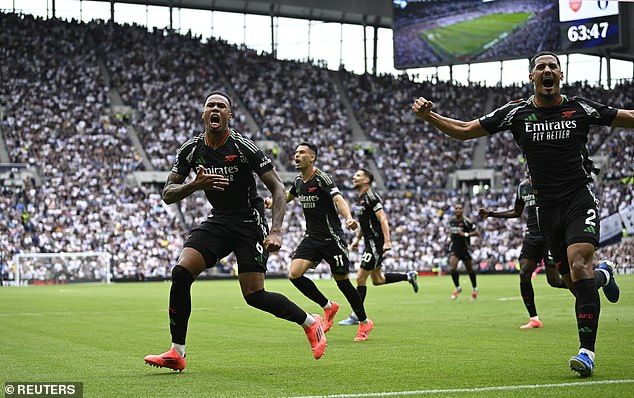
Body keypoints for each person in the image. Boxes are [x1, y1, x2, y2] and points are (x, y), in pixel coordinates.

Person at [412, 50, 630, 377]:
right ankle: (605, 275)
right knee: (575, 283)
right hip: (545, 208)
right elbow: (466, 130)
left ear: (560, 75)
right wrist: (431, 116)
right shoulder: (516, 113)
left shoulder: (580, 108)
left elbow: (628, 116)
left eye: (552, 66)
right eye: (540, 67)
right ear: (531, 77)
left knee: (579, 264)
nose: (546, 70)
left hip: (578, 198)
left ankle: (587, 353)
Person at [144, 92, 328, 372]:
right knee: (181, 273)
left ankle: (311, 323)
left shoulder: (244, 147)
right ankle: (176, 352)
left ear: (229, 115)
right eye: (210, 105)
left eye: (221, 106)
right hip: (218, 221)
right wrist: (195, 185)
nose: (215, 109)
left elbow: (278, 188)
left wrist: (276, 230)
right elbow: (168, 194)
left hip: (248, 222)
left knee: (254, 295)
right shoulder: (191, 150)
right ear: (204, 114)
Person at [266, 143, 374, 341]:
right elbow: (287, 197)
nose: (296, 155)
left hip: (332, 238)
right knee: (294, 274)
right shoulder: (299, 182)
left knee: (342, 282)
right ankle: (328, 306)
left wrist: (349, 217)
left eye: (301, 152)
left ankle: (364, 321)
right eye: (296, 152)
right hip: (312, 238)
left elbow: (338, 199)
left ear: (312, 157)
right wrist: (272, 202)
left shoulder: (322, 178)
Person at [479, 175, 569, 329]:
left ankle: (585, 284)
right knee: (524, 272)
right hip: (532, 237)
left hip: (550, 236)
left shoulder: (549, 181)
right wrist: (492, 214)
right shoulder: (523, 187)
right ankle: (534, 318)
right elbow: (516, 212)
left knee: (554, 281)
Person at [338, 168, 419, 326]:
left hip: (376, 242)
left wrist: (387, 241)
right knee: (378, 280)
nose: (354, 176)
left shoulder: (371, 197)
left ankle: (356, 315)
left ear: (366, 180)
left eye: (358, 175)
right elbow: (364, 223)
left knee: (361, 277)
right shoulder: (360, 198)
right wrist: (357, 240)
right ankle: (409, 276)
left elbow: (382, 219)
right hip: (369, 242)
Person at [447, 204, 480, 301]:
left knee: (470, 270)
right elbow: (451, 232)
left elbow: (477, 233)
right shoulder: (452, 222)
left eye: (460, 208)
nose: (458, 210)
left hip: (465, 249)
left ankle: (474, 288)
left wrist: (466, 234)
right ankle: (457, 287)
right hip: (455, 249)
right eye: (456, 208)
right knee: (452, 268)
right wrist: (449, 238)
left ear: (462, 210)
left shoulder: (467, 222)